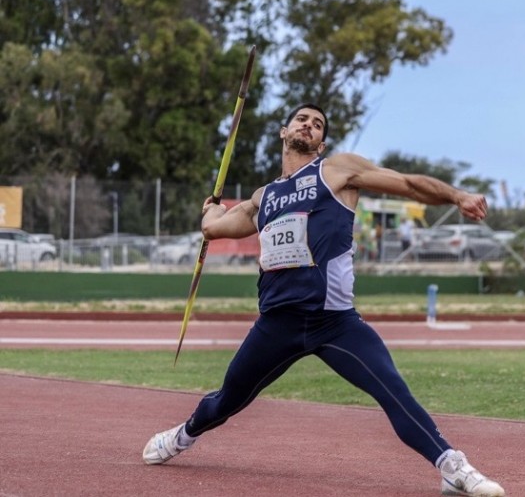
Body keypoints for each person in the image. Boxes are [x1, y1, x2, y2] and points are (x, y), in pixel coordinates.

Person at [142, 103, 505, 497]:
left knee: (393, 392)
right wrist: (210, 212)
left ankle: (452, 466)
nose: (309, 126)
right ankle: (184, 435)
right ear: (284, 132)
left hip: (334, 322)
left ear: (322, 143)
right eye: (302, 119)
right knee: (227, 400)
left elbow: (408, 184)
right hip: (277, 325)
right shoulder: (264, 197)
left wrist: (456, 196)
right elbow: (214, 229)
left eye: (317, 125)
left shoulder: (336, 171)